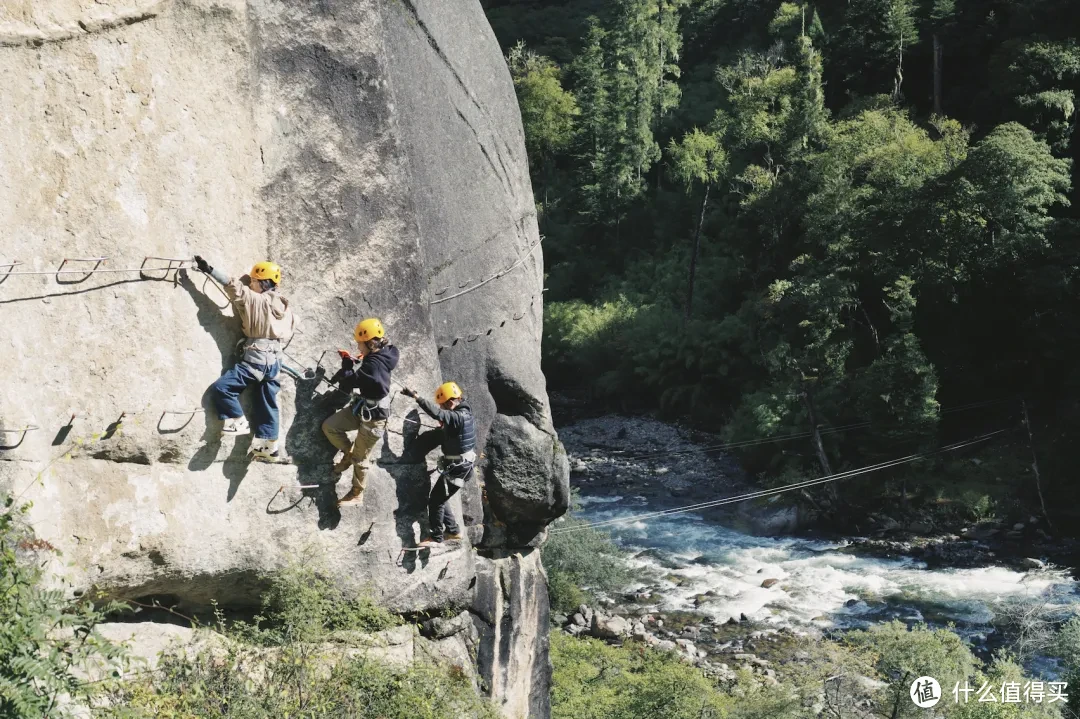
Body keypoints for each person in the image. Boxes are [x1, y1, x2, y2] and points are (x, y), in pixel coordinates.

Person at [192, 255, 296, 463]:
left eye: (253, 281)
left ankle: (237, 420)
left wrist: (209, 269)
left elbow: (234, 287)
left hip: (256, 359)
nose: (251, 284)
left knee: (223, 388)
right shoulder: (286, 308)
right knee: (267, 401)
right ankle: (268, 446)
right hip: (274, 362)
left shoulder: (256, 299)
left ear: (261, 282)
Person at [322, 318, 400, 506]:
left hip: (374, 419)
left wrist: (347, 365)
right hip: (363, 408)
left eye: (360, 344)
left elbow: (351, 382)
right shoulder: (386, 353)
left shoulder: (373, 365)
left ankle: (357, 493)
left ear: (369, 342)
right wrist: (360, 358)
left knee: (361, 457)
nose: (358, 346)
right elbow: (370, 367)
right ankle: (347, 453)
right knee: (330, 426)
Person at [400, 381, 475, 547]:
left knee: (435, 501)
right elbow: (454, 428)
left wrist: (416, 397)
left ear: (450, 402)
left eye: (442, 405)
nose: (441, 408)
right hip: (462, 467)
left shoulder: (457, 416)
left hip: (458, 469)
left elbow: (438, 415)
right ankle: (453, 530)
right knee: (441, 498)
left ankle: (436, 537)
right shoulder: (465, 411)